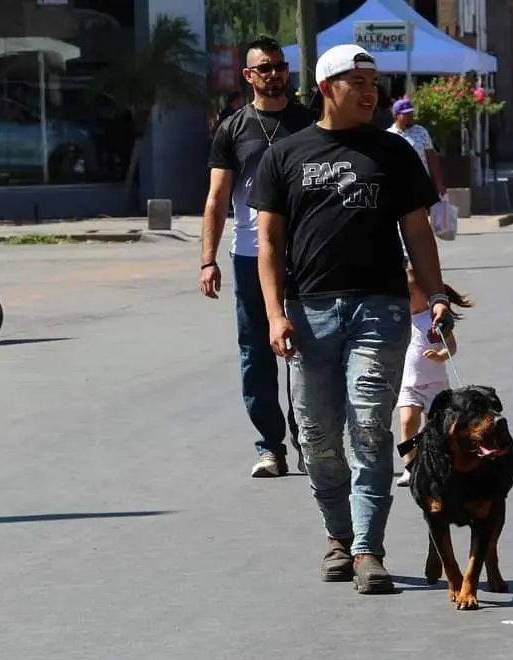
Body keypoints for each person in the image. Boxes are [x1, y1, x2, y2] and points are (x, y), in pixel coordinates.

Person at [248, 44, 452, 594]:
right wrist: (273, 314)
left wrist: (434, 294)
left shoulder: (393, 152)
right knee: (316, 434)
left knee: (368, 425)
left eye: (374, 82)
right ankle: (337, 535)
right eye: (356, 81)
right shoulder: (285, 155)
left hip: (378, 308)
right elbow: (269, 243)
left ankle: (367, 549)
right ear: (326, 87)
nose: (370, 92)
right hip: (308, 311)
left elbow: (418, 232)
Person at [200, 36, 315, 477]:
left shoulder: (309, 122)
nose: (275, 74)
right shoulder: (232, 129)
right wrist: (207, 259)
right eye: (265, 68)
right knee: (256, 352)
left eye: (280, 66)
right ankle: (270, 446)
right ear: (248, 76)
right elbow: (216, 198)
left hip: (305, 252)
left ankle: (310, 439)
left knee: (309, 347)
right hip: (249, 254)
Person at [395, 268, 471, 487]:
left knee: (434, 429)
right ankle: (410, 467)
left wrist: (440, 355)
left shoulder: (433, 318)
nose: (404, 300)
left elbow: (451, 347)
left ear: (423, 294)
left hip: (435, 386)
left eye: (408, 295)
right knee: (408, 422)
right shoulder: (399, 320)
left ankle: (436, 464)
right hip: (408, 384)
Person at [387, 98, 446, 197]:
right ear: (396, 115)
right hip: (398, 187)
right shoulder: (389, 135)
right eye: (406, 114)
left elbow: (431, 158)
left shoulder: (421, 132)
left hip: (421, 184)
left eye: (411, 113)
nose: (410, 117)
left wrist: (439, 183)